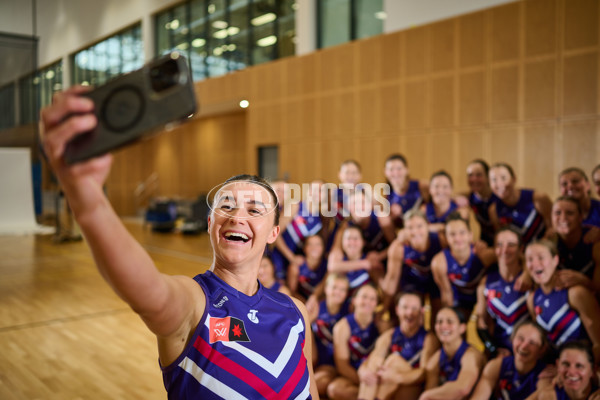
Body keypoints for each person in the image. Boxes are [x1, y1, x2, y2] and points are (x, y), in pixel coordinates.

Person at [40, 87, 318, 398]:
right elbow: (147, 290)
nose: (238, 216)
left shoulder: (296, 313)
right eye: (226, 205)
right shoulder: (194, 304)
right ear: (211, 223)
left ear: (273, 233)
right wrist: (87, 198)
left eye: (254, 210)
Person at [525, 240, 600, 364]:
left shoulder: (575, 293)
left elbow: (598, 343)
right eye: (530, 259)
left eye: (541, 258)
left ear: (555, 260)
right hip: (559, 365)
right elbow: (545, 346)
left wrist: (582, 370)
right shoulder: (532, 300)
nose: (535, 263)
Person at [357, 292, 438, 400]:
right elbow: (372, 360)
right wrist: (362, 371)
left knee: (394, 360)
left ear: (421, 311)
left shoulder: (428, 339)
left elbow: (424, 373)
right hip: (388, 386)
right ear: (397, 310)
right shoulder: (389, 335)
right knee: (376, 361)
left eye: (414, 308)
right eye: (405, 307)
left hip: (411, 387)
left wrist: (397, 377)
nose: (409, 312)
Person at [382, 210, 445, 327]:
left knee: (438, 316)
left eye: (419, 226)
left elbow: (448, 228)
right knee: (411, 312)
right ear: (404, 230)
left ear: (428, 226)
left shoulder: (440, 239)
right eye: (410, 228)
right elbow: (391, 279)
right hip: (412, 281)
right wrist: (384, 309)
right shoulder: (398, 247)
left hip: (435, 280)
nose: (415, 231)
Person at [474, 227, 530, 357]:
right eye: (499, 245)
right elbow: (480, 321)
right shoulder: (486, 282)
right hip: (500, 349)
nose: (505, 250)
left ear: (520, 249)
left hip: (528, 350)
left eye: (511, 245)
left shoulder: (530, 279)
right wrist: (493, 349)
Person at [431, 212, 496, 318]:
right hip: (460, 298)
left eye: (462, 233)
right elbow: (447, 295)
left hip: (482, 295)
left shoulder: (484, 255)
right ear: (446, 238)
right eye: (452, 234)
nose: (457, 238)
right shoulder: (439, 262)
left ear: (470, 235)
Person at [470, 320, 551, 400]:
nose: (524, 346)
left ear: (542, 349)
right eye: (520, 338)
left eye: (532, 343)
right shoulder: (497, 365)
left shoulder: (545, 374)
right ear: (512, 339)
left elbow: (543, 393)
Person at [328, 283, 381, 400]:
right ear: (354, 300)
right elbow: (342, 366)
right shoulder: (342, 327)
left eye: (372, 299)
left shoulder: (381, 325)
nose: (367, 302)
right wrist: (363, 379)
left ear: (376, 304)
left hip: (375, 372)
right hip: (354, 373)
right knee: (334, 389)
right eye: (364, 297)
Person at [420, 307, 485, 400]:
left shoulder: (471, 355)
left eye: (450, 322)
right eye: (439, 322)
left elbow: (463, 389)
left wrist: (427, 395)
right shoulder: (434, 361)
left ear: (462, 328)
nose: (444, 326)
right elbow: (430, 390)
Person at [270, 180, 326, 281]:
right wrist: (291, 257)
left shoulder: (319, 220)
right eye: (314, 189)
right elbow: (274, 234)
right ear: (308, 191)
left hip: (296, 263)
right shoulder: (295, 206)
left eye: (321, 191)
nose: (317, 193)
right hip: (280, 256)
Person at [488, 162, 552, 245]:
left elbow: (552, 230)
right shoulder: (493, 210)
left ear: (514, 179)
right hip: (517, 254)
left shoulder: (538, 198)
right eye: (494, 180)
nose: (499, 184)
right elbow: (502, 239)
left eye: (503, 178)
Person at [310, 273, 351, 397]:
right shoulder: (316, 307)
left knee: (316, 384)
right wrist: (309, 320)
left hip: (335, 364)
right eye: (334, 288)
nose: (338, 292)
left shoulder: (349, 310)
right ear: (326, 288)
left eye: (342, 290)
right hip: (315, 360)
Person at [551, 196, 600, 293]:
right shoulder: (549, 242)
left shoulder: (594, 242)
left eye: (570, 213)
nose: (563, 218)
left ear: (580, 218)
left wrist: (584, 281)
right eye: (557, 213)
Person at [328, 225, 385, 293]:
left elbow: (384, 290)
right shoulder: (339, 261)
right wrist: (364, 264)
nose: (352, 242)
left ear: (363, 242)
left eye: (355, 239)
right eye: (348, 239)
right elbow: (332, 267)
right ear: (342, 242)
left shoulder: (370, 260)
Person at [383, 154, 429, 228]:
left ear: (406, 170)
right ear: (385, 172)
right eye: (391, 169)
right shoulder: (387, 198)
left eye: (399, 169)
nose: (395, 173)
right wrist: (393, 218)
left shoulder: (422, 186)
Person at [464, 159, 498, 247]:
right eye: (470, 175)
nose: (474, 179)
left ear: (488, 177)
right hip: (483, 243)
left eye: (479, 175)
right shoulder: (470, 197)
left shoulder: (498, 197)